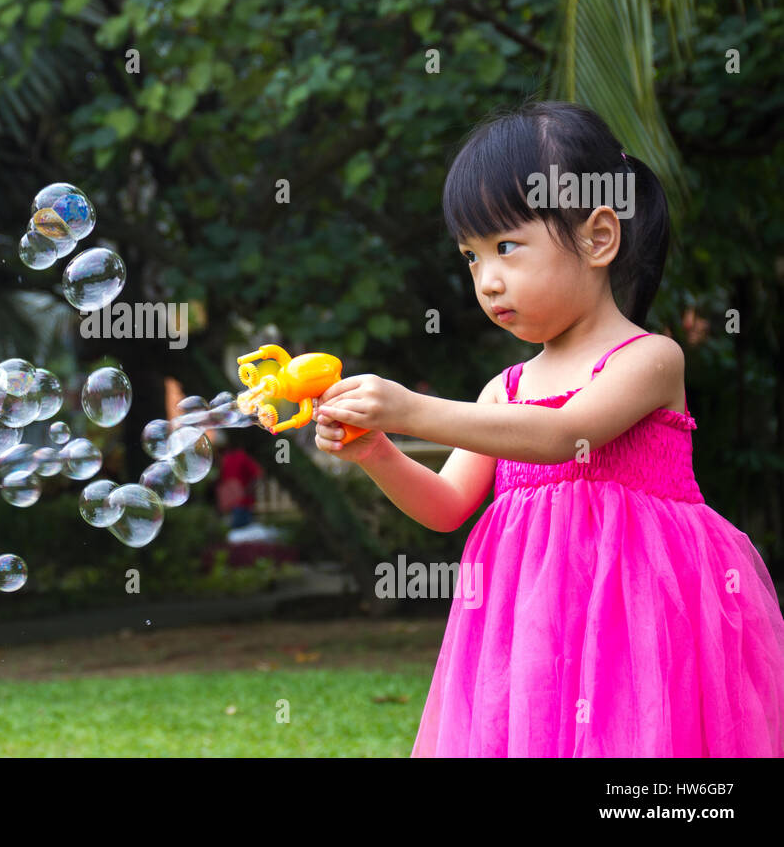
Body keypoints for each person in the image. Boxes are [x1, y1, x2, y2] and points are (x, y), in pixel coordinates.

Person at [313, 100, 784, 757]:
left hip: (643, 619)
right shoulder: (502, 390)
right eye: (472, 258)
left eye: (506, 247)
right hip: (534, 629)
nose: (488, 279)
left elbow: (566, 435)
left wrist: (409, 409)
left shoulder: (648, 358)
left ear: (598, 237)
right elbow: (448, 505)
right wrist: (376, 451)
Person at [214, 434, 262, 529]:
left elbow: (257, 475)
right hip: (231, 504)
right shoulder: (227, 458)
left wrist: (247, 491)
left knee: (239, 533)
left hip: (242, 503)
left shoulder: (240, 456)